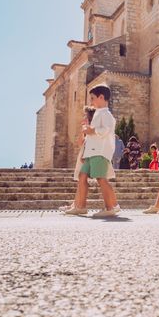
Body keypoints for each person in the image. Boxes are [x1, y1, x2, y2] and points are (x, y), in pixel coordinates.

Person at [64, 84, 120, 218]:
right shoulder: (99, 113)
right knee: (82, 176)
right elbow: (93, 135)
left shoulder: (106, 114)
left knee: (101, 179)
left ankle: (110, 207)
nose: (91, 102)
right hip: (91, 152)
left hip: (100, 152)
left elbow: (106, 129)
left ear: (101, 97)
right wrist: (86, 150)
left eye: (92, 98)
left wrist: (91, 130)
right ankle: (80, 207)